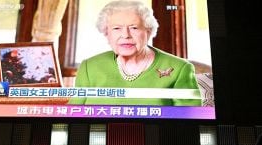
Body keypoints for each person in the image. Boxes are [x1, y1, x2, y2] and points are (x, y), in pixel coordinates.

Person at [69, 0, 201, 106]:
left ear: (148, 31)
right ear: (106, 33)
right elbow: (73, 117)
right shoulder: (89, 67)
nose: (125, 35)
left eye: (134, 28)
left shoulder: (180, 69)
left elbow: (188, 124)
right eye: (116, 28)